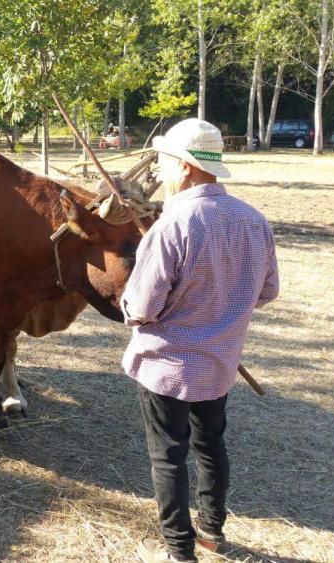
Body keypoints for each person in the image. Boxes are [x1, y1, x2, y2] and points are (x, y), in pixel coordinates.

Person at [121, 118, 279, 563]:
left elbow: (141, 309)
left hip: (166, 366)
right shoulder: (253, 220)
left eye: (166, 163)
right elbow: (266, 291)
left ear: (187, 167)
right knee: (210, 445)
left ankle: (178, 549)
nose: (162, 173)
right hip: (219, 364)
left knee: (168, 457)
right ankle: (212, 532)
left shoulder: (173, 225)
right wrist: (223, 309)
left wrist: (133, 307)